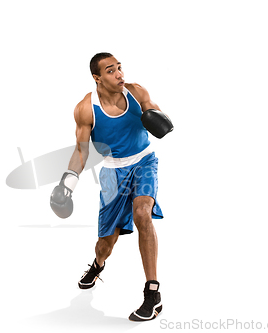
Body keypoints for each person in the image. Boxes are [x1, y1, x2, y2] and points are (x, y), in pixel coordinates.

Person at [50, 52, 173, 322]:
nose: (119, 74)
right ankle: (97, 265)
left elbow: (154, 109)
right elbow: (81, 152)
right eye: (110, 70)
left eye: (119, 68)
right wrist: (67, 184)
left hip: (144, 163)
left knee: (143, 214)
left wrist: (156, 115)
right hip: (113, 173)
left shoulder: (136, 92)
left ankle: (153, 293)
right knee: (105, 244)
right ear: (97, 78)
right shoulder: (85, 108)